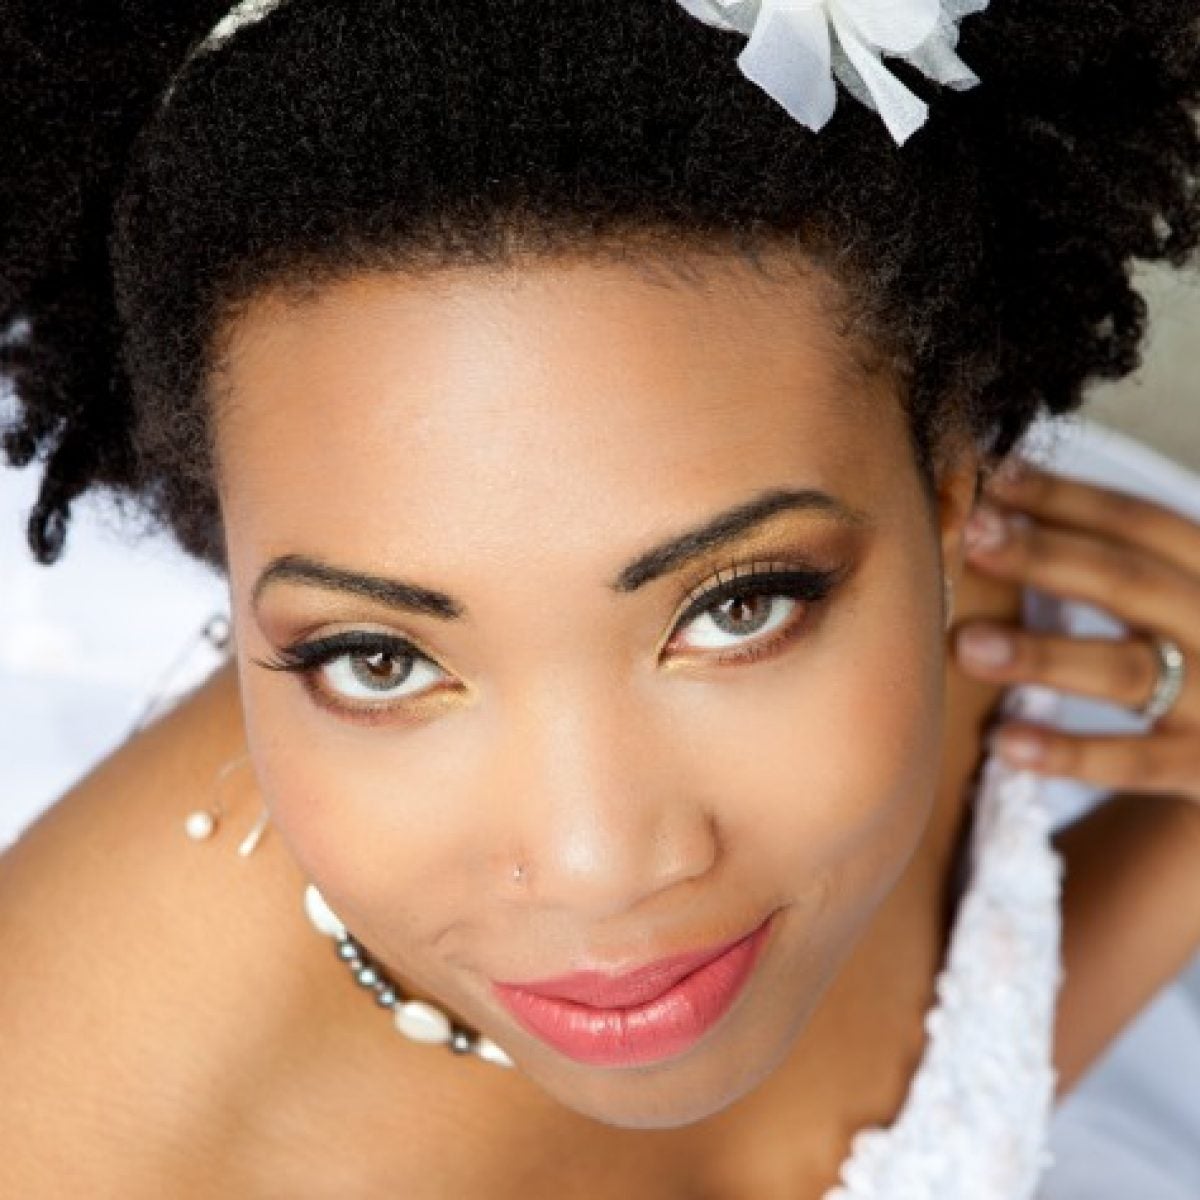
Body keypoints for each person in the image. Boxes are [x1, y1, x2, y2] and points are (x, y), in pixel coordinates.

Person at [0, 1, 1198, 1196]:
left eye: (738, 609)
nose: (598, 865)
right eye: (379, 658)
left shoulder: (1005, 612)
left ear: (947, 497)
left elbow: (938, 1113)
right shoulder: (74, 1144)